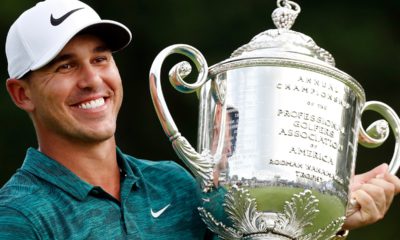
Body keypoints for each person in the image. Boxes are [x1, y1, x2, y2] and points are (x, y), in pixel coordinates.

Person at [0, 0, 399, 239]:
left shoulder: (177, 186)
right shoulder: (17, 215)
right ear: (22, 94)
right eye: (65, 66)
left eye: (100, 58)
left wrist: (324, 218)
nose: (92, 80)